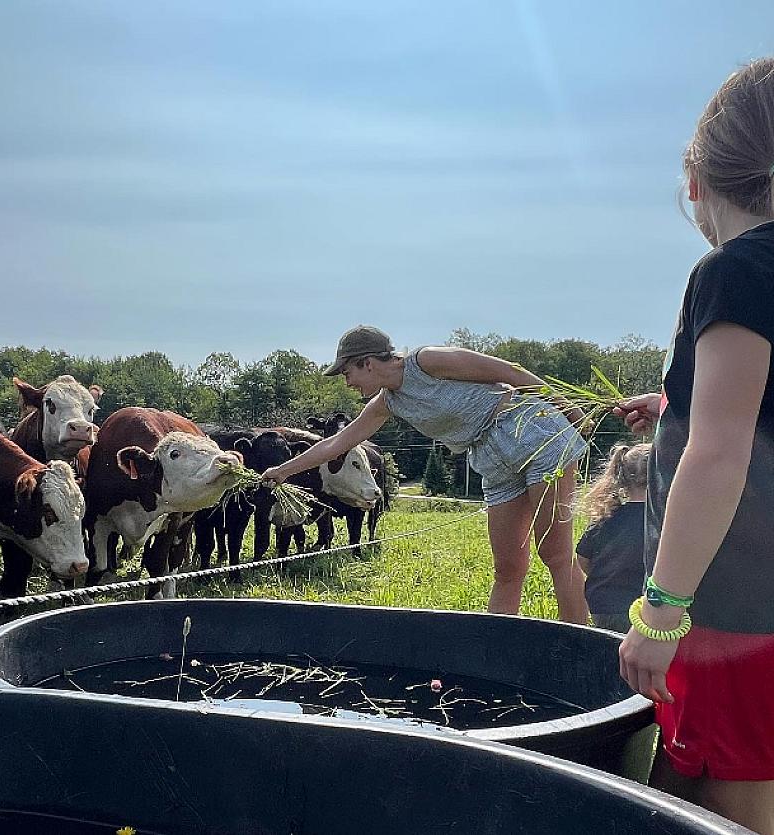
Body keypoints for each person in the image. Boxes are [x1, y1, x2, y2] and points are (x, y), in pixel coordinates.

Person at [615, 58, 774, 833]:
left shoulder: (735, 269)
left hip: (730, 607)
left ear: (697, 182)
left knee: (733, 800)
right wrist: (675, 402)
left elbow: (719, 453)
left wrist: (662, 609)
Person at [261, 324, 590, 623]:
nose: (347, 382)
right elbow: (335, 444)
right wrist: (283, 471)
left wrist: (571, 411)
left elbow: (510, 372)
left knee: (554, 552)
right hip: (491, 459)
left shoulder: (427, 361)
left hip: (533, 433)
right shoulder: (387, 403)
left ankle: (571, 646)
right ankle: (497, 648)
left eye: (347, 372)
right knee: (508, 567)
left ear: (367, 363)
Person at [576, 443, 651, 633]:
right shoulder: (660, 520)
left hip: (602, 605)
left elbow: (582, 558)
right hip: (641, 609)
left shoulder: (606, 515)